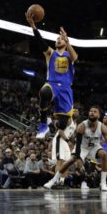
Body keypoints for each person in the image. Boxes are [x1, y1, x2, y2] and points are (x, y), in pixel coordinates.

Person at [25, 11, 78, 139]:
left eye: (60, 39)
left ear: (65, 43)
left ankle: (52, 122)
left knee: (62, 124)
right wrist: (33, 26)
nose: (59, 40)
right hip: (53, 84)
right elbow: (40, 41)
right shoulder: (50, 53)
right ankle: (43, 124)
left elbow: (74, 57)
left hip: (66, 88)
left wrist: (68, 41)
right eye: (57, 39)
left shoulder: (69, 55)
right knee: (44, 92)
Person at [44, 106, 107, 191]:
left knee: (104, 154)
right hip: (82, 146)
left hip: (94, 146)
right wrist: (79, 158)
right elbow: (78, 144)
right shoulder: (82, 126)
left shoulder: (102, 127)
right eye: (91, 111)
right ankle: (53, 181)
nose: (92, 112)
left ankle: (103, 183)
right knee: (70, 160)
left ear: (98, 115)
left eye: (95, 111)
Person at [51, 109, 78, 184]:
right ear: (71, 112)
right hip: (60, 140)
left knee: (67, 162)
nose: (76, 113)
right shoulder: (68, 120)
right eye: (74, 111)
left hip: (66, 141)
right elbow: (60, 131)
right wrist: (67, 141)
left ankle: (62, 182)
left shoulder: (75, 124)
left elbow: (70, 135)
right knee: (60, 161)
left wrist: (75, 142)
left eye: (77, 112)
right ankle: (55, 181)